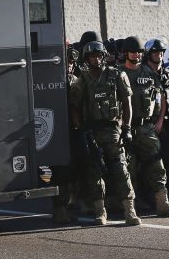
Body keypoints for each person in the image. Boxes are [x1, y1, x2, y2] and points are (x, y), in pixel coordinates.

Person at [69, 40, 140, 226]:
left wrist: (126, 128)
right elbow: (74, 107)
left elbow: (127, 103)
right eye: (92, 56)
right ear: (86, 58)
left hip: (113, 130)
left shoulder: (116, 75)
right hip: (92, 132)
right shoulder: (82, 79)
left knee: (121, 170)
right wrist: (80, 130)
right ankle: (100, 212)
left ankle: (129, 210)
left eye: (99, 55)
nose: (96, 59)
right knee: (94, 173)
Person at [120, 36, 169, 217]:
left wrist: (160, 119)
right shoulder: (118, 73)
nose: (136, 55)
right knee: (128, 168)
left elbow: (161, 97)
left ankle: (162, 202)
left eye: (139, 52)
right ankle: (129, 206)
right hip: (125, 127)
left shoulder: (148, 73)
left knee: (156, 164)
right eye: (133, 52)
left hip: (146, 127)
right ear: (126, 53)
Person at [144, 38, 169, 207]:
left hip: (168, 123)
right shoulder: (142, 74)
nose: (159, 55)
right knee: (150, 162)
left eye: (161, 52)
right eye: (155, 52)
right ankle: (149, 197)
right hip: (149, 123)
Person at [52, 45, 81, 224]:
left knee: (73, 170)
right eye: (67, 62)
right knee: (59, 172)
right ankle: (59, 209)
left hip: (73, 130)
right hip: (57, 130)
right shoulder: (52, 81)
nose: (69, 66)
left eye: (71, 62)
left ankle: (69, 203)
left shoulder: (76, 80)